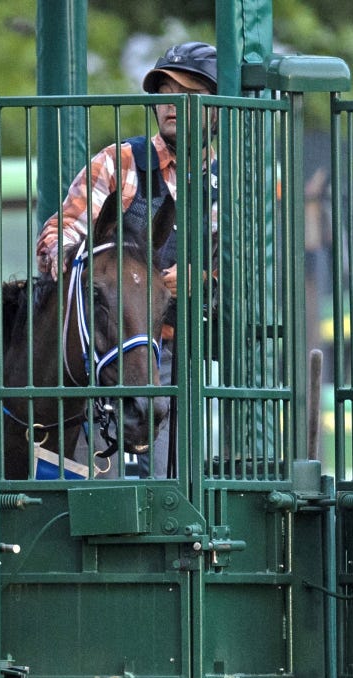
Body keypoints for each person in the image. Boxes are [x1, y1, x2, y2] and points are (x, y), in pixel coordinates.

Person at [36, 41, 218, 478]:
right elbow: (64, 228)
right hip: (110, 354)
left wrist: (201, 277)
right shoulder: (119, 161)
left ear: (217, 108)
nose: (172, 104)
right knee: (102, 489)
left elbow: (244, 269)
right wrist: (63, 255)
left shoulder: (229, 181)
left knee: (178, 490)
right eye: (165, 91)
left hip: (188, 352)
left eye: (189, 93)